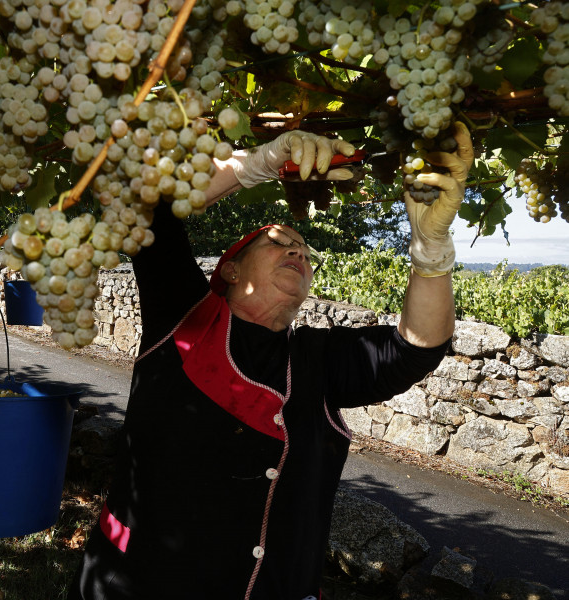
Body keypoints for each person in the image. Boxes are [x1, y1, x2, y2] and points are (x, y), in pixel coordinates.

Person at [69, 123, 474, 600]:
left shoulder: (318, 360)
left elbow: (417, 347)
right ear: (231, 267)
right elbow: (145, 210)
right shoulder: (185, 318)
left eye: (304, 251)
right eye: (279, 241)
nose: (296, 252)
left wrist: (430, 254)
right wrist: (257, 163)